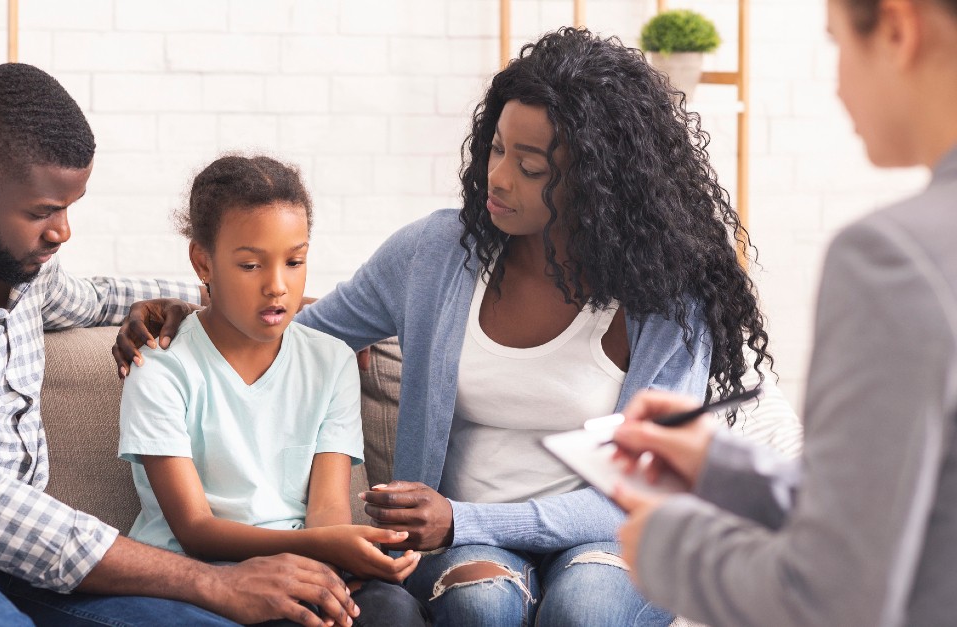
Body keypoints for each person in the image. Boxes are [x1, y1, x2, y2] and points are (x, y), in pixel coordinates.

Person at [116, 29, 774, 626]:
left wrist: (460, 516)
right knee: (480, 607)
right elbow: (295, 328)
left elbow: (641, 494)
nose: (497, 177)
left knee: (584, 608)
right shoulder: (437, 254)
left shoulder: (668, 300)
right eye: (495, 149)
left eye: (531, 166)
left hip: (606, 535)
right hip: (466, 546)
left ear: (599, 181)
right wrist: (192, 306)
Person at [0, 63, 359, 627]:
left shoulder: (11, 262)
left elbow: (95, 296)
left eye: (69, 208)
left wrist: (231, 298)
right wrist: (213, 581)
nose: (62, 232)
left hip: (20, 557)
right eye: (43, 212)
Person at [609, 0, 957, 625]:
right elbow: (907, 514)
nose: (838, 84)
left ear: (899, 30)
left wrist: (670, 546)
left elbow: (831, 594)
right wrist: (721, 465)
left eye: (837, 45)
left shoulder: (893, 259)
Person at [118, 155, 429, 626]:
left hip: (304, 563)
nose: (277, 287)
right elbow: (196, 531)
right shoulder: (160, 371)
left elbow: (326, 510)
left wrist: (357, 552)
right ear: (203, 262)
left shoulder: (331, 361)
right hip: (198, 577)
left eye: (295, 260)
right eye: (250, 264)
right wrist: (324, 545)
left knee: (392, 609)